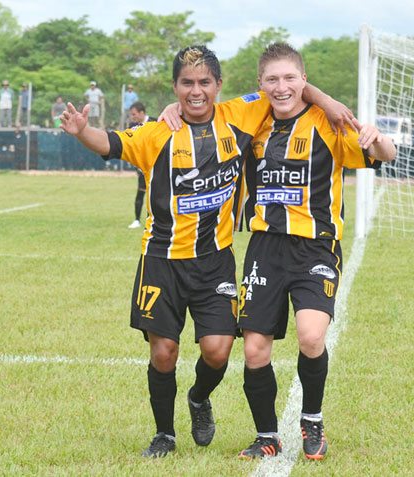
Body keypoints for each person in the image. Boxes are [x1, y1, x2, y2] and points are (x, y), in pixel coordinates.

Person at [61, 45, 280, 458]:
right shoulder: (157, 133)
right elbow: (111, 143)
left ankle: (198, 397)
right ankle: (164, 434)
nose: (196, 91)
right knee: (164, 352)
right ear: (175, 86)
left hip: (215, 260)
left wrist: (330, 104)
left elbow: (287, 88)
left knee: (217, 350)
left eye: (204, 82)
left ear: (218, 84)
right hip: (161, 261)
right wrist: (81, 131)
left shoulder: (242, 115)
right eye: (186, 83)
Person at [234, 43, 396, 461]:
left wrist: (378, 139)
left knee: (310, 336)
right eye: (272, 79)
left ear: (304, 81)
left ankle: (312, 420)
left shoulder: (328, 121)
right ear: (260, 84)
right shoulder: (253, 121)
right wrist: (173, 109)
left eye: (290, 78)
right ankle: (266, 435)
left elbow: (386, 155)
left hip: (316, 247)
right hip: (265, 246)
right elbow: (207, 112)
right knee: (254, 349)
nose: (281, 86)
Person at [126, 101, 153, 230]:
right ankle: (137, 220)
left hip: (155, 165)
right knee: (140, 192)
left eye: (134, 114)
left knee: (153, 195)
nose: (132, 117)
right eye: (131, 115)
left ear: (142, 113)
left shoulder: (155, 122)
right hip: (141, 166)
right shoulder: (132, 126)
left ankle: (151, 220)